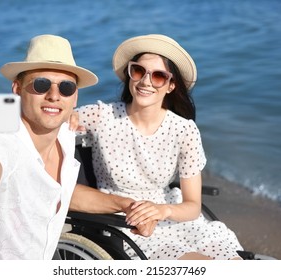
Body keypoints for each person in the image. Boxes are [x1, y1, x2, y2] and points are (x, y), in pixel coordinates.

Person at [0, 34, 152, 260]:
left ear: (75, 97)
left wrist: (127, 205)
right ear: (17, 89)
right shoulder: (0, 137)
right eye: (41, 84)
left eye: (66, 88)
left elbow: (59, 191)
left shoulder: (66, 135)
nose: (54, 95)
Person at [76, 34, 244, 260]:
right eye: (138, 71)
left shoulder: (185, 130)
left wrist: (163, 210)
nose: (146, 82)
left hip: (173, 215)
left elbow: (193, 206)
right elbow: (48, 120)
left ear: (171, 85)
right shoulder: (101, 116)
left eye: (158, 76)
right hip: (125, 224)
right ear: (129, 75)